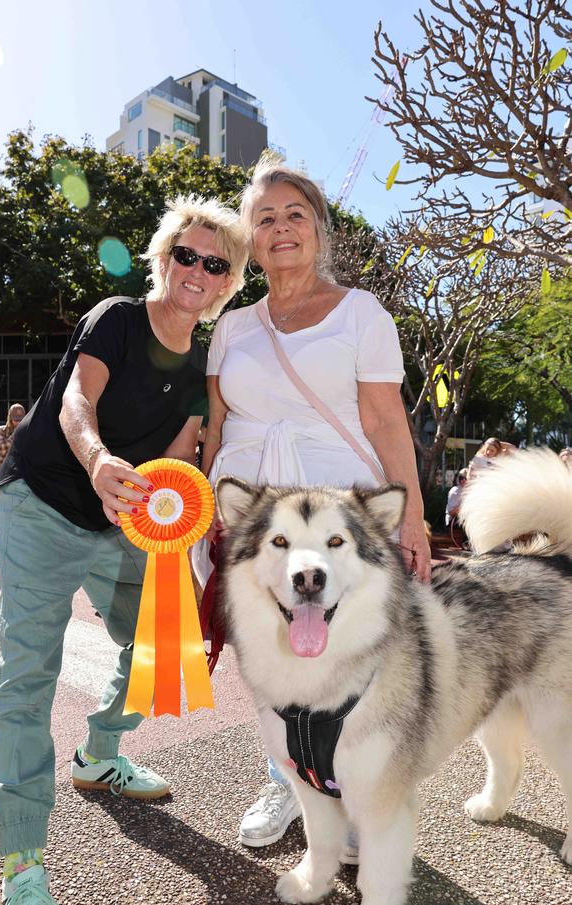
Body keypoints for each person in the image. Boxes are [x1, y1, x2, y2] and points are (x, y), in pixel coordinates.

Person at [0, 195, 248, 905]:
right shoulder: (117, 317)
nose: (197, 272)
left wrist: (190, 511)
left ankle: (99, 753)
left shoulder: (205, 371)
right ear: (161, 257)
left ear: (230, 281)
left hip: (124, 527)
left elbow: (175, 462)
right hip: (44, 502)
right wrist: (97, 459)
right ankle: (24, 877)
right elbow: (75, 400)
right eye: (186, 255)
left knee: (164, 647)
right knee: (25, 677)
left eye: (216, 263)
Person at [200, 157, 431, 853]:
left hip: (339, 521)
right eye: (264, 217)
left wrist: (413, 515)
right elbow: (215, 424)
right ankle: (288, 780)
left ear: (319, 229)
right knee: (271, 655)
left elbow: (388, 422)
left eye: (294, 213)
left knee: (346, 657)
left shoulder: (362, 313)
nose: (280, 227)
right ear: (251, 237)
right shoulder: (232, 328)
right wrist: (198, 509)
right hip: (254, 524)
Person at [0, 403, 26, 483]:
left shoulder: (27, 432)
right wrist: (17, 433)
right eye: (16, 420)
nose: (19, 423)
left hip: (19, 476)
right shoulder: (1, 430)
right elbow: (2, 448)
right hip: (0, 475)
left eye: (21, 420)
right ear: (10, 418)